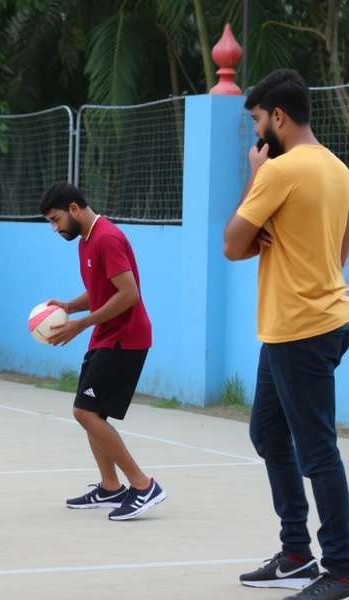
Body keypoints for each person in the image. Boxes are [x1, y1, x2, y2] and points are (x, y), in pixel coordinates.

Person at [224, 69, 349, 599]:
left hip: (298, 327)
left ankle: (341, 569)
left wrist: (253, 175)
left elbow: (232, 243)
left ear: (277, 117)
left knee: (317, 448)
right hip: (322, 318)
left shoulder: (280, 171)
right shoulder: (338, 169)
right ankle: (296, 553)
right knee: (269, 435)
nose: (255, 134)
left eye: (256, 119)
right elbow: (340, 246)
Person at [39, 182, 165, 521]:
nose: (55, 228)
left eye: (56, 219)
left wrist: (80, 325)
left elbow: (128, 295)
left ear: (74, 209)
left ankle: (143, 484)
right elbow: (101, 291)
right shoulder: (86, 240)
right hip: (105, 337)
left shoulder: (107, 238)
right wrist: (70, 305)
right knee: (91, 413)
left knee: (85, 412)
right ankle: (111, 487)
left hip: (126, 339)